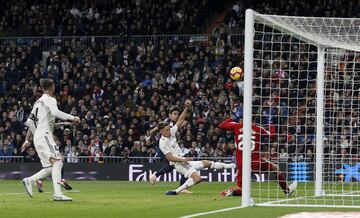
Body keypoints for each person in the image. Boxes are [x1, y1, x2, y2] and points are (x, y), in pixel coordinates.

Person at [158, 100, 236, 195]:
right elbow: (169, 158)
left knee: (207, 163)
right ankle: (176, 191)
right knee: (198, 179)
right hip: (179, 164)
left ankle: (232, 166)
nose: (169, 131)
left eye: (169, 129)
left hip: (184, 161)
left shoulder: (172, 131)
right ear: (161, 132)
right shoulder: (162, 142)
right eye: (166, 130)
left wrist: (187, 108)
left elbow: (180, 120)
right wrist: (183, 159)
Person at [21, 78, 80, 201]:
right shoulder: (50, 99)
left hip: (39, 137)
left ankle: (29, 180)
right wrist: (73, 117)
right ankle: (58, 194)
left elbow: (29, 122)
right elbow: (55, 112)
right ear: (52, 87)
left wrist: (34, 135)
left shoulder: (38, 102)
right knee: (58, 162)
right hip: (44, 136)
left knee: (49, 168)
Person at [218, 109, 297, 197]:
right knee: (275, 168)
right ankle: (287, 191)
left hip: (241, 163)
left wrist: (234, 117)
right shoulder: (258, 128)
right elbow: (272, 136)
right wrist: (270, 122)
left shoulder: (236, 126)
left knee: (242, 190)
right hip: (255, 162)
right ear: (254, 119)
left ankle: (233, 191)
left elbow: (221, 126)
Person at [147, 105, 190, 194]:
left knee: (173, 165)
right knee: (177, 163)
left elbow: (180, 121)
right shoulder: (167, 122)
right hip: (163, 147)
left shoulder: (171, 124)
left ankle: (155, 175)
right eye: (174, 114)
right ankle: (182, 188)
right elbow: (152, 131)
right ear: (169, 115)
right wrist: (154, 141)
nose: (176, 115)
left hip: (167, 146)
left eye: (177, 114)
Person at [21, 122, 74, 193]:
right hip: (44, 143)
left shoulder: (37, 119)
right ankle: (60, 183)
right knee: (58, 162)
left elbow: (31, 127)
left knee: (50, 167)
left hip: (39, 144)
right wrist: (63, 123)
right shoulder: (43, 118)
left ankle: (36, 180)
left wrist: (26, 141)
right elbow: (52, 124)